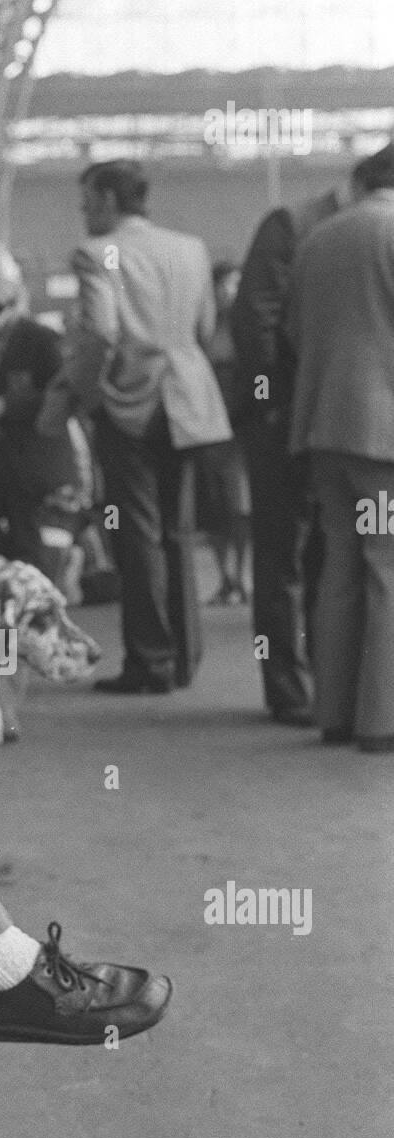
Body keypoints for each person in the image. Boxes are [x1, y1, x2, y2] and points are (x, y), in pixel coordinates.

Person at [61, 159, 233, 694]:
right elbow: (205, 329)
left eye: (89, 199)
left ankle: (150, 663)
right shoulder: (191, 249)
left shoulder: (95, 255)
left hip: (128, 402)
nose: (84, 210)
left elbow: (101, 335)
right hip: (188, 401)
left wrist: (85, 397)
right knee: (178, 532)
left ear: (110, 200)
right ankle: (184, 658)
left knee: (135, 535)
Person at [230, 165, 367, 726]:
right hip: (283, 417)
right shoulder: (291, 224)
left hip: (329, 418)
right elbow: (256, 320)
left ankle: (327, 681)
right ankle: (286, 688)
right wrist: (272, 406)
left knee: (326, 554)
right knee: (282, 553)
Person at [285, 141, 394, 752]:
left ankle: (337, 714)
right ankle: (383, 722)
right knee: (388, 567)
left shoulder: (319, 238)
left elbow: (296, 332)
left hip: (325, 427)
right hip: (384, 435)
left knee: (341, 566)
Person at [0, 254, 79, 580]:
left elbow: (61, 394)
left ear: (8, 305)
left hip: (29, 462)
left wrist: (6, 406)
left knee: (32, 547)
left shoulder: (40, 340)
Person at [200, 261, 251, 605]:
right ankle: (225, 577)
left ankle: (240, 574)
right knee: (215, 507)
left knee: (239, 507)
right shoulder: (203, 328)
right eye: (223, 285)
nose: (227, 292)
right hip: (210, 425)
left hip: (239, 424)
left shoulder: (245, 327)